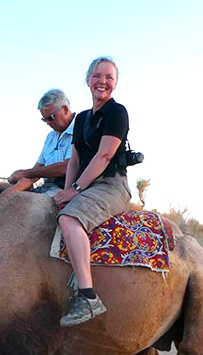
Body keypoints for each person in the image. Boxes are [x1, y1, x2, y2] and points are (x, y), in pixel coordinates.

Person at [54, 56, 131, 326]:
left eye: (109, 77)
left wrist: (74, 190)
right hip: (85, 185)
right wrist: (64, 193)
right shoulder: (83, 119)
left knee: (69, 219)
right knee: (53, 209)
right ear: (88, 80)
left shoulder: (117, 112)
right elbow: (74, 161)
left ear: (116, 83)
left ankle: (87, 296)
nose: (103, 81)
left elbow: (105, 155)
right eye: (98, 76)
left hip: (111, 185)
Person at [0, 89, 76, 200]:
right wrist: (19, 178)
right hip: (48, 187)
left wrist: (26, 173)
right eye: (45, 120)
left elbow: (67, 167)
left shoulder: (80, 128)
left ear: (65, 109)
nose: (48, 123)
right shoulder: (50, 137)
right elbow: (38, 168)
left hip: (67, 188)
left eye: (51, 118)